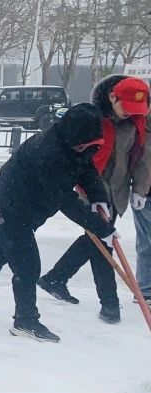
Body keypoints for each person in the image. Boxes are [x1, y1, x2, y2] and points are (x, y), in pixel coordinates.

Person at [0, 102, 116, 343]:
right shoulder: (49, 151)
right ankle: (26, 321)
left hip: (23, 207)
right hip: (10, 207)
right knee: (27, 264)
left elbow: (86, 169)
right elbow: (64, 198)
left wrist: (98, 199)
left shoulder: (73, 145)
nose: (85, 149)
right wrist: (100, 227)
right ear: (74, 136)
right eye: (83, 144)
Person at [39, 76, 149, 323]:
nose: (130, 114)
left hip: (117, 189)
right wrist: (88, 189)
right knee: (102, 239)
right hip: (91, 186)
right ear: (112, 97)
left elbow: (142, 157)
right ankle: (109, 304)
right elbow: (79, 155)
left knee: (97, 237)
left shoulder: (138, 122)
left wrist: (140, 189)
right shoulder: (92, 118)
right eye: (126, 107)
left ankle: (56, 277)